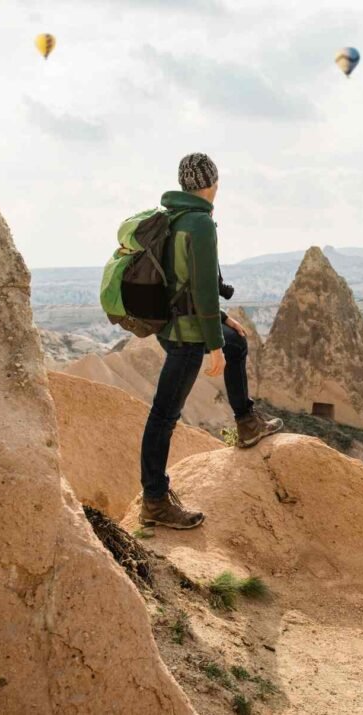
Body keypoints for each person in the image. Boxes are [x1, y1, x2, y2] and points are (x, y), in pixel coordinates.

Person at [139, 153, 283, 529]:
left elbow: (178, 283)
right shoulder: (199, 223)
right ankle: (154, 499)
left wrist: (222, 323)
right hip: (186, 336)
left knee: (239, 343)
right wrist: (214, 342)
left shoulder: (172, 217)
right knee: (164, 416)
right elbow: (201, 288)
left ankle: (247, 422)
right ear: (211, 184)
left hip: (173, 327)